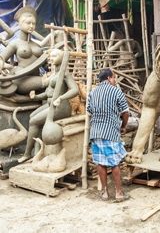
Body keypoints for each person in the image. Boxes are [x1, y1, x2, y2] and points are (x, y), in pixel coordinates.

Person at [18, 48, 79, 162]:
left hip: (61, 107)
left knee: (33, 121)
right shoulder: (54, 73)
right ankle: (36, 151)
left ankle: (27, 154)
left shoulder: (64, 73)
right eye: (50, 56)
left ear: (61, 58)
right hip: (50, 104)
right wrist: (35, 97)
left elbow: (75, 90)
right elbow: (48, 94)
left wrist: (61, 98)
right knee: (32, 117)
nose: (51, 58)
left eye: (54, 56)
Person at [87, 68, 129, 202]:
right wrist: (123, 126)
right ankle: (119, 192)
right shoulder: (116, 91)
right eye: (114, 77)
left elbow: (89, 111)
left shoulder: (92, 93)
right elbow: (125, 112)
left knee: (100, 162)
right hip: (110, 132)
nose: (115, 80)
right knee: (114, 163)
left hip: (96, 132)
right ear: (109, 78)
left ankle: (105, 192)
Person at [0, 6, 49, 98]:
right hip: (20, 79)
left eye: (33, 24)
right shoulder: (15, 43)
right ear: (20, 24)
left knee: (55, 79)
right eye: (28, 23)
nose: (31, 26)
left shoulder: (37, 45)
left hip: (36, 77)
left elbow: (45, 64)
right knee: (51, 81)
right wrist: (4, 66)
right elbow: (2, 58)